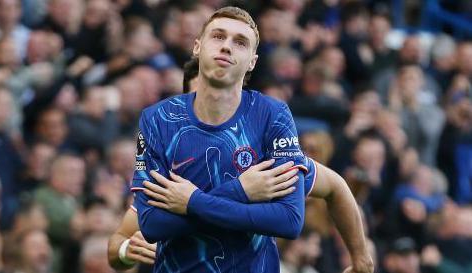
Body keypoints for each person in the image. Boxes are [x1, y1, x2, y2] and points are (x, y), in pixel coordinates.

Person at [116, 6, 372, 273]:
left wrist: (192, 202)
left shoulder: (272, 116)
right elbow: (153, 224)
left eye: (240, 42)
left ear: (252, 61)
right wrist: (240, 192)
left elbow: (289, 220)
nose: (227, 46)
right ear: (197, 47)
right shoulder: (158, 119)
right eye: (218, 36)